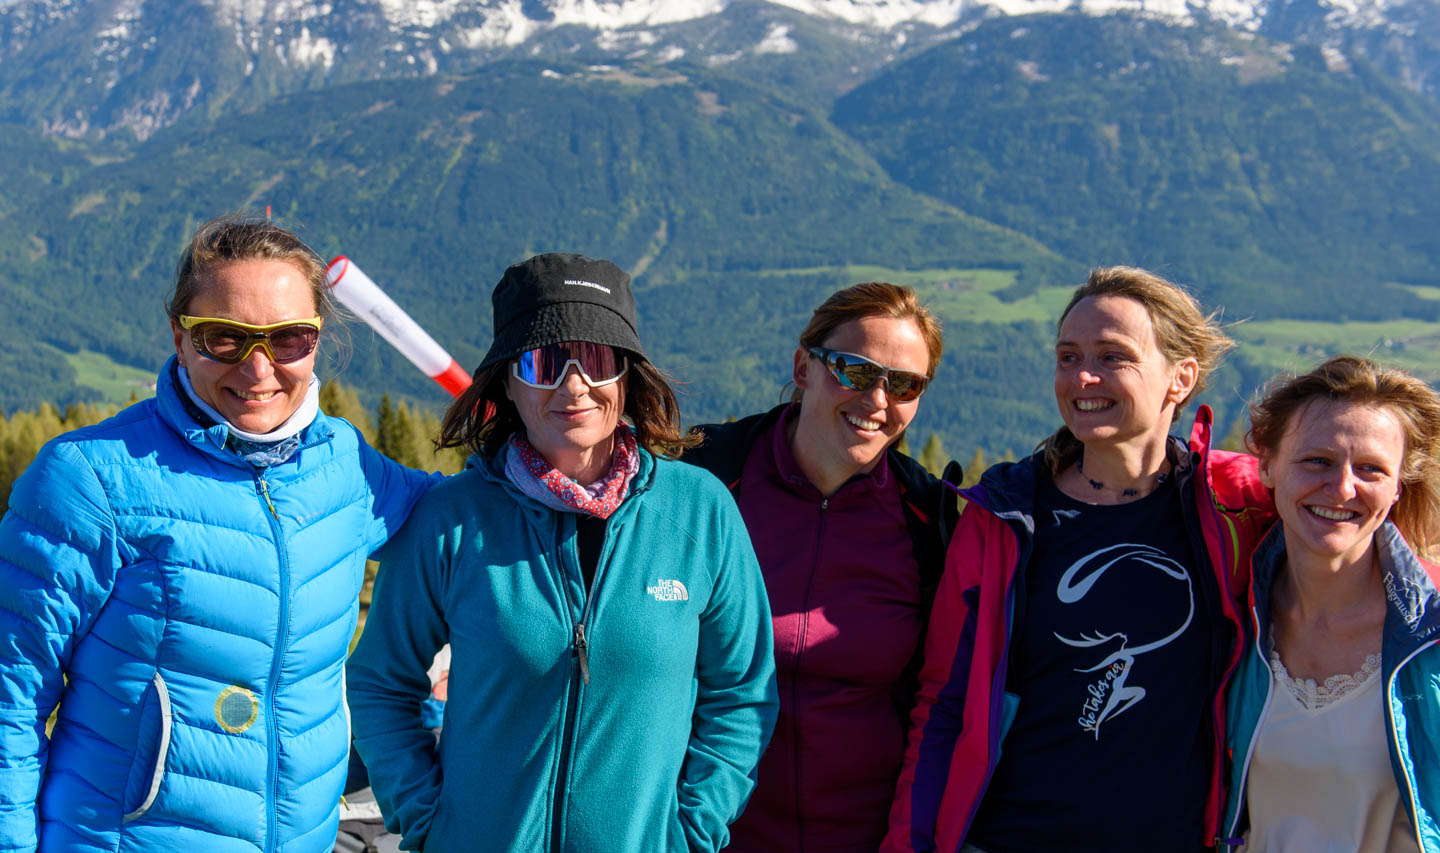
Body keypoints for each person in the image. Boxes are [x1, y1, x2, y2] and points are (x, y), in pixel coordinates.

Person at [0, 215, 436, 852]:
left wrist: (530, 423)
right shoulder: (90, 480)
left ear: (316, 341)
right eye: (223, 339)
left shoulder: (346, 467)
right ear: (179, 336)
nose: (258, 368)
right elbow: (10, 694)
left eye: (288, 339)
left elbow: (467, 512)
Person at [345, 252, 778, 853]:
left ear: (627, 376)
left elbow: (742, 693)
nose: (575, 385)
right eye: (544, 362)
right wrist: (427, 821)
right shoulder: (454, 519)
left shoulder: (700, 514)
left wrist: (690, 832)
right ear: (508, 383)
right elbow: (380, 682)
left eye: (597, 360)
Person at [885, 266, 1274, 853]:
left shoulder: (1235, 508)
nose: (1082, 376)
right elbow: (945, 702)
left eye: (1112, 356)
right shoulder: (1004, 519)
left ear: (1181, 378)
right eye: (1068, 356)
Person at [683, 281, 959, 851]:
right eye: (856, 371)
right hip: (707, 835)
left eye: (905, 384)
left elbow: (941, 704)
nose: (878, 400)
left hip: (870, 838)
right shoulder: (706, 483)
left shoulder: (927, 522)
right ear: (803, 367)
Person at [1220, 356, 1440, 852]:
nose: (1342, 488)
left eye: (1370, 469)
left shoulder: (1431, 641)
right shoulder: (1231, 623)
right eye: (1317, 461)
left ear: (1398, 485)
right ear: (1268, 464)